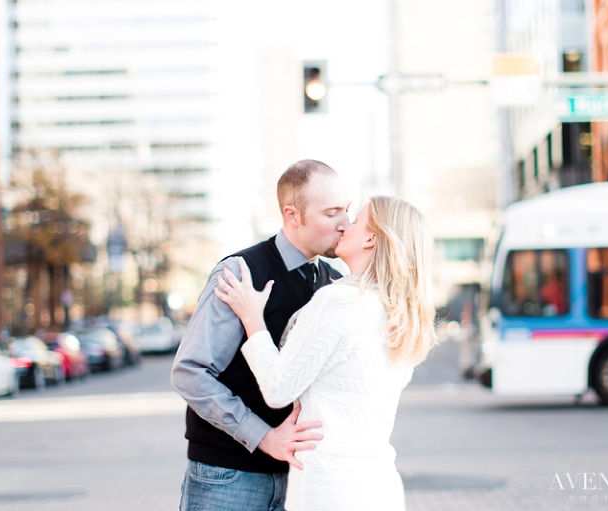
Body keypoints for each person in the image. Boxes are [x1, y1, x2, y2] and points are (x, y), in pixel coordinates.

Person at [215, 196, 437, 511]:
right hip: (380, 488)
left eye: (356, 219)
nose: (345, 225)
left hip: (331, 489)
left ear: (371, 238)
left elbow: (278, 388)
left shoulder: (338, 301)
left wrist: (253, 319)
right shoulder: (399, 315)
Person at [170, 159, 351, 511]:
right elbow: (189, 373)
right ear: (293, 215)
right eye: (331, 214)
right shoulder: (240, 273)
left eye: (347, 210)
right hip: (230, 478)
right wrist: (263, 437)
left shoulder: (334, 284)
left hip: (303, 482)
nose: (345, 224)